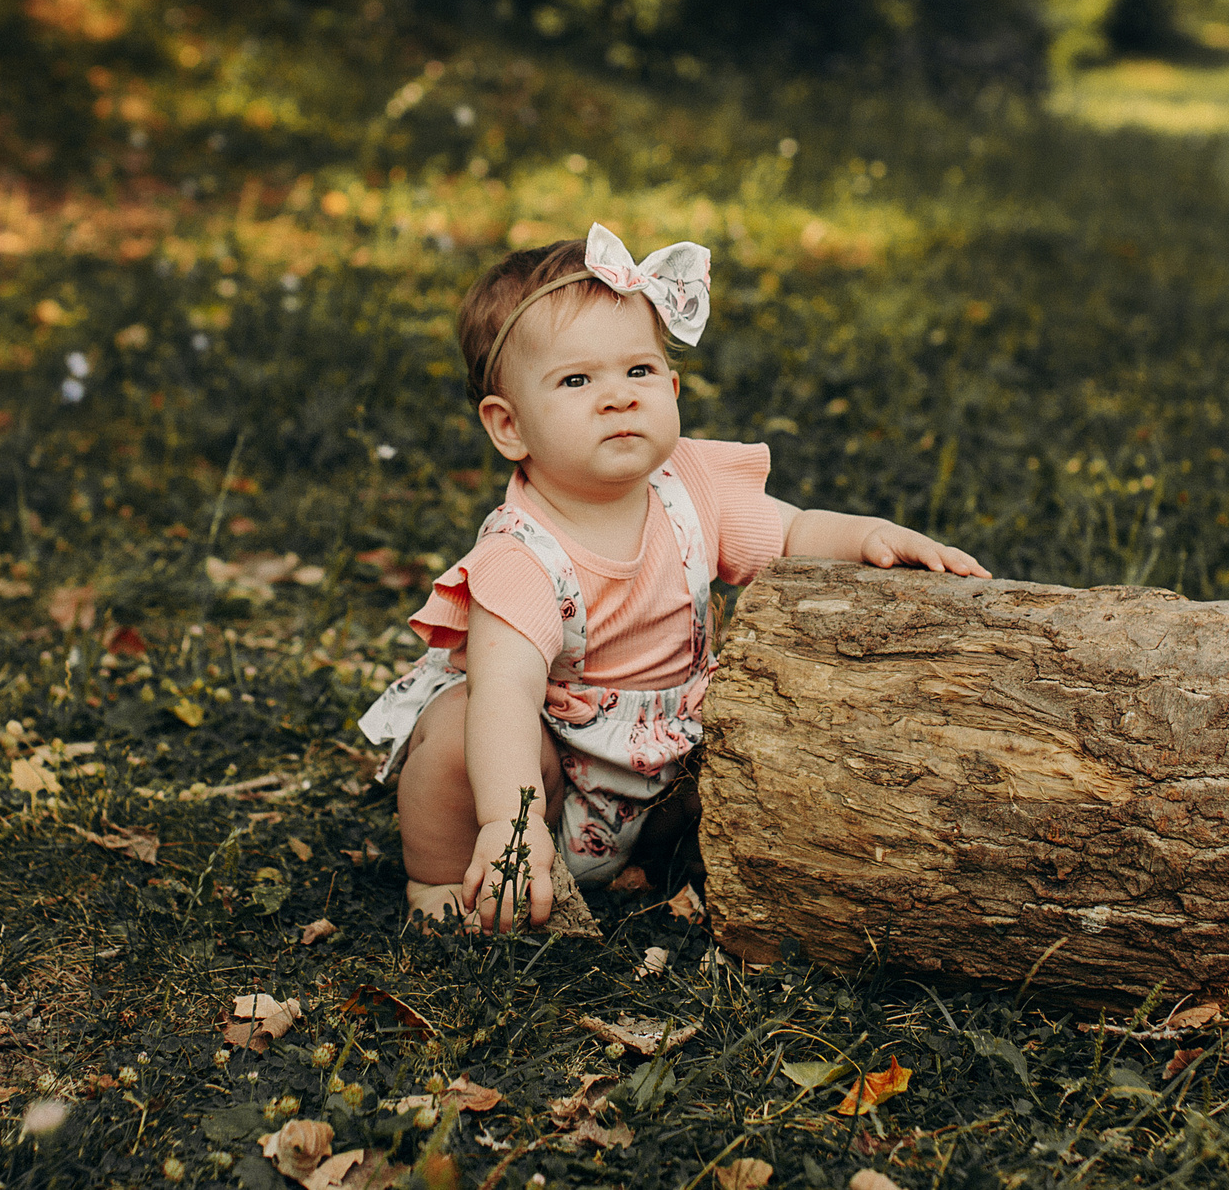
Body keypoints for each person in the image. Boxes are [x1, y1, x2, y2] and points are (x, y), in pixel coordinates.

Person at [357, 223, 990, 930]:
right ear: (510, 427)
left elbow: (792, 531)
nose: (619, 396)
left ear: (673, 384)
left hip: (672, 760)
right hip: (549, 781)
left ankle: (680, 857)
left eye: (639, 371)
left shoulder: (690, 483)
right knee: (457, 727)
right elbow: (507, 695)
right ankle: (443, 878)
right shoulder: (521, 556)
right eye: (576, 379)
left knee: (758, 735)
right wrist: (512, 822)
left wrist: (870, 536)